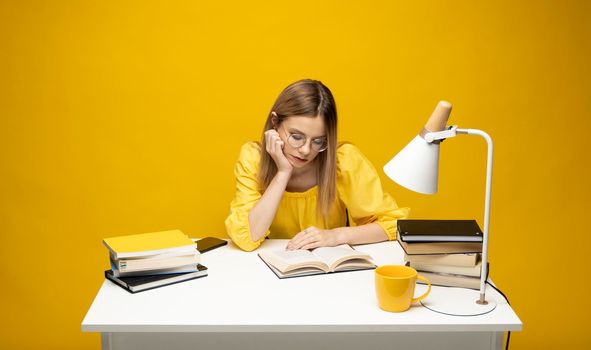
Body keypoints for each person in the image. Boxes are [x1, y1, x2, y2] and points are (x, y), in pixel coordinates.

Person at [225, 79, 409, 252]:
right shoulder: (253, 158)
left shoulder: (344, 160)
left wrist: (336, 236)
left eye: (318, 141)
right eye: (296, 137)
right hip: (271, 269)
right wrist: (283, 173)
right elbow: (248, 238)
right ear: (275, 122)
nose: (305, 150)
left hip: (328, 270)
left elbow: (393, 224)